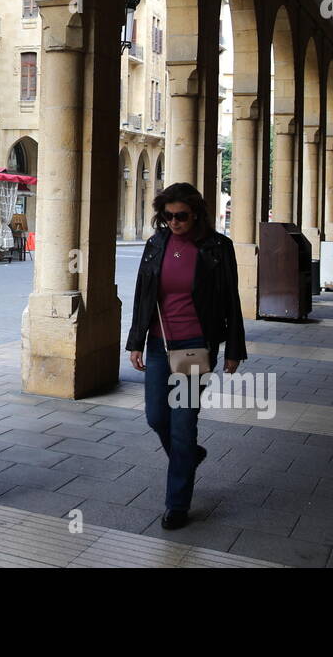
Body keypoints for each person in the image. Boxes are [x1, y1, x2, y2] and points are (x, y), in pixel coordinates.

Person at [125, 182, 247, 530]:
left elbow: (230, 300)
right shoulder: (156, 244)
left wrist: (234, 349)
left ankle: (177, 504)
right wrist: (136, 341)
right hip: (160, 346)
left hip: (196, 346)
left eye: (180, 216)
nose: (174, 222)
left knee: (182, 425)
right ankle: (190, 457)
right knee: (155, 417)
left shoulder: (217, 248)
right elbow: (143, 296)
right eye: (167, 216)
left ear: (196, 214)